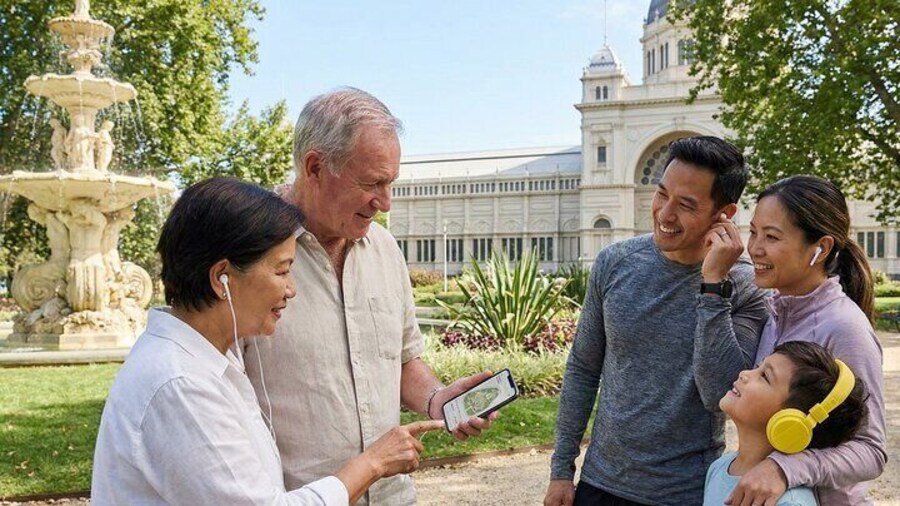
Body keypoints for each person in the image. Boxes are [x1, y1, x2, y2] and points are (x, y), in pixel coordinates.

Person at [91, 177, 443, 505]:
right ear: (222, 278)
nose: (291, 289)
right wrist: (372, 464)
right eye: (281, 270)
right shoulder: (180, 386)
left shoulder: (207, 360)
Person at [243, 88, 496, 506]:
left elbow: (401, 359)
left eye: (391, 183)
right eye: (373, 183)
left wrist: (438, 399)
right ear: (315, 167)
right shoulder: (250, 251)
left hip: (394, 497)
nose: (386, 203)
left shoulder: (384, 249)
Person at [544, 136, 770, 506]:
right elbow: (583, 368)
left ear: (724, 215)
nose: (665, 214)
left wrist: (713, 288)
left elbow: (718, 396)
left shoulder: (744, 285)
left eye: (685, 205)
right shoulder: (614, 262)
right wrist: (561, 470)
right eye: (662, 193)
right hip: (600, 485)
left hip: (686, 493)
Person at [723, 175, 886, 506]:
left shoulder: (844, 327)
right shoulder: (774, 310)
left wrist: (786, 468)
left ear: (820, 248)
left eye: (771, 236)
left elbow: (872, 450)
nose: (754, 248)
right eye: (753, 232)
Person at [705, 341, 868, 506]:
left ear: (791, 421)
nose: (744, 374)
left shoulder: (790, 503)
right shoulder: (719, 467)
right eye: (759, 367)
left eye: (764, 376)